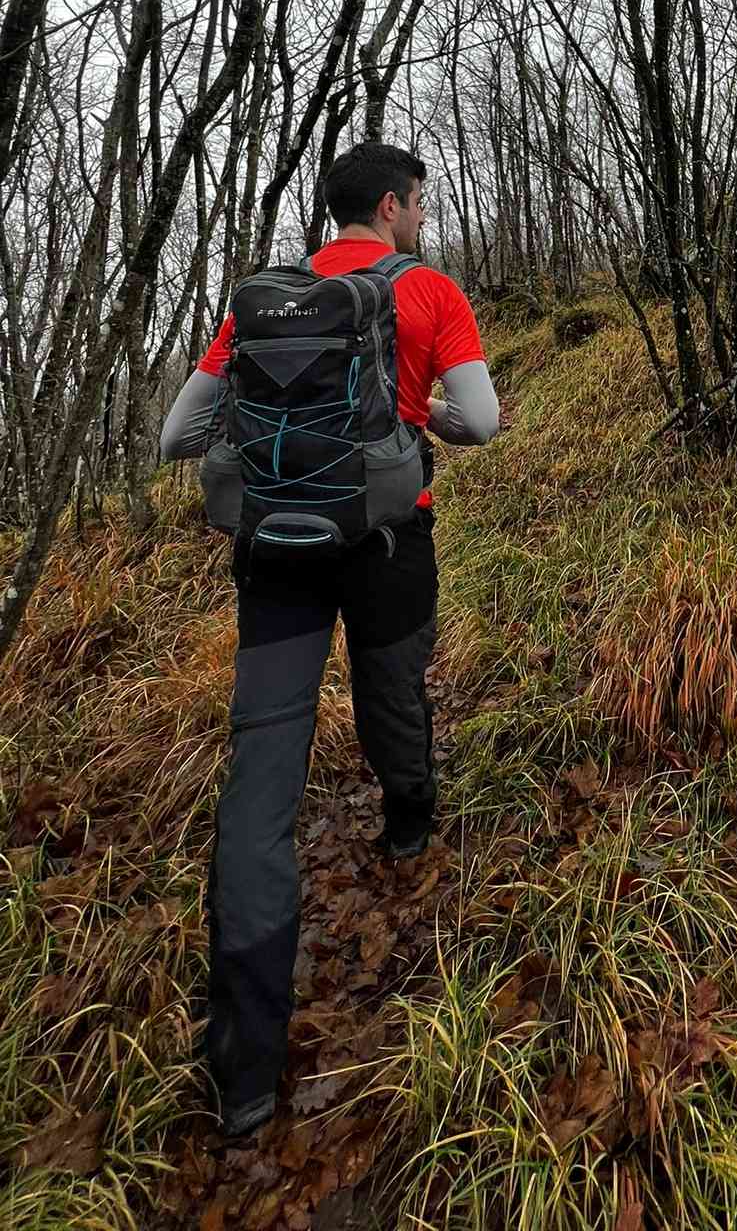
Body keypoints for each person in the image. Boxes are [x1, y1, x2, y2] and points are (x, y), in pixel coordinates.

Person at [159, 142, 499, 1141]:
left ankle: (245, 1070)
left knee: (262, 770)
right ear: (390, 206)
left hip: (275, 552)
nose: (423, 218)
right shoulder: (429, 290)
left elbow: (176, 436)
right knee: (393, 689)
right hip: (388, 540)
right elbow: (481, 421)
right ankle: (408, 822)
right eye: (419, 203)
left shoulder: (266, 303)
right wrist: (422, 413)